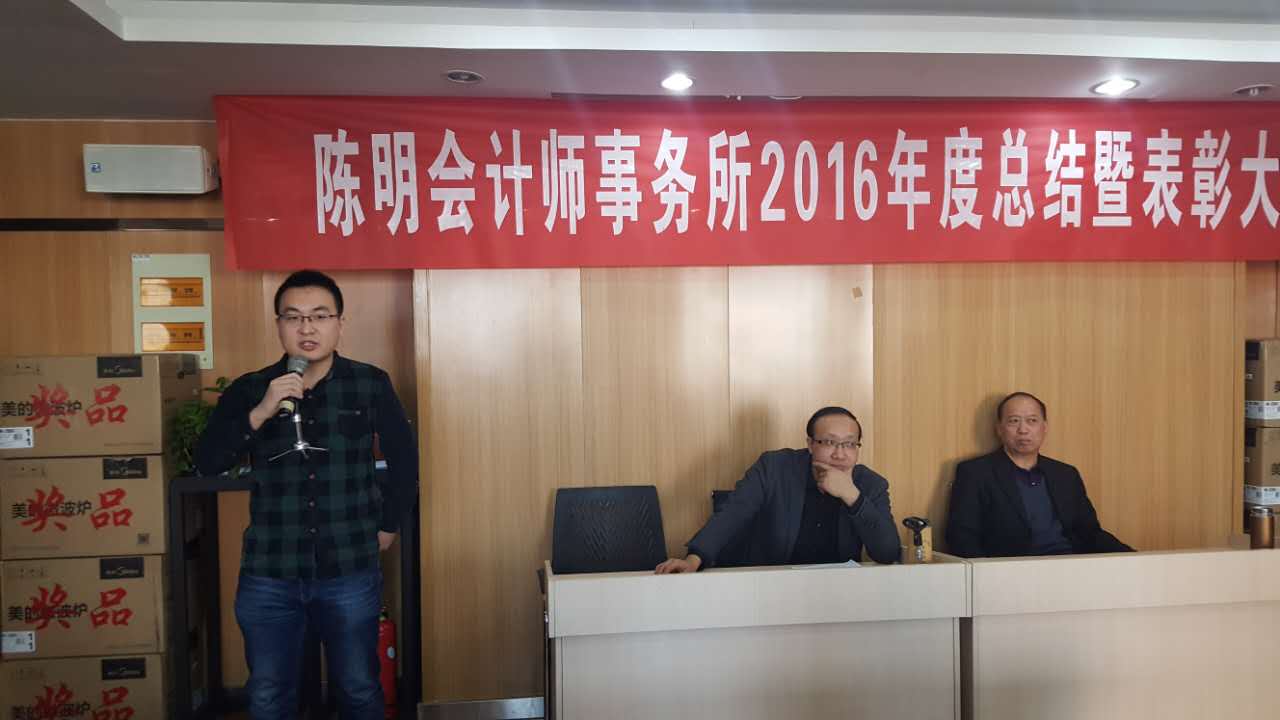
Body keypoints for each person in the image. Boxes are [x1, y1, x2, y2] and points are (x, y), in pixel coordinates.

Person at [195, 270, 418, 719]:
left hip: (349, 566)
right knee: (268, 694)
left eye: (319, 316)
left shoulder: (369, 383)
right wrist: (260, 412)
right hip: (270, 570)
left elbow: (404, 459)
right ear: (278, 326)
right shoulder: (250, 389)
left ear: (339, 324)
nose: (307, 328)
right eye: (293, 317)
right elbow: (208, 462)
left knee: (359, 689)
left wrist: (389, 523)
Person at [655, 406, 900, 573]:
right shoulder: (774, 468)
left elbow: (887, 552)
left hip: (836, 594)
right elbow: (733, 513)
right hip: (771, 588)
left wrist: (852, 496)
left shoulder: (871, 484)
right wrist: (693, 559)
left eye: (849, 444)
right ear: (810, 444)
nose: (840, 454)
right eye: (829, 442)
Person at [946, 391, 1131, 558]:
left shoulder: (1066, 475)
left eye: (1032, 421)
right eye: (1014, 421)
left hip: (1069, 566)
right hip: (1010, 572)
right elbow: (961, 537)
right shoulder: (975, 473)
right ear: (999, 429)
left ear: (1044, 427)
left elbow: (1090, 533)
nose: (1023, 430)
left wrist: (1135, 558)